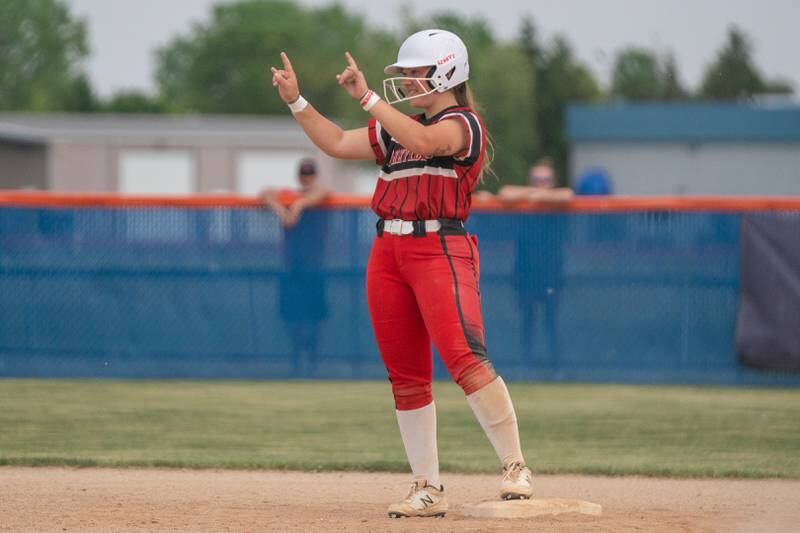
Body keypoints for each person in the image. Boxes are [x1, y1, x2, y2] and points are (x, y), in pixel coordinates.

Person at [270, 29, 532, 518]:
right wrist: (297, 100)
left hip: (440, 247)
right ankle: (427, 488)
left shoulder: (463, 124)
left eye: (417, 73)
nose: (409, 81)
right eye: (406, 74)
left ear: (448, 72)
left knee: (464, 358)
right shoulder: (394, 127)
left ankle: (515, 467)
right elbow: (335, 142)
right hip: (388, 250)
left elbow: (427, 139)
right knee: (406, 375)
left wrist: (368, 97)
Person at [260, 159, 331, 377]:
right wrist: (282, 210)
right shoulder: (288, 197)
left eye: (309, 175)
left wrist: (299, 205)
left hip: (315, 268)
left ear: (315, 176)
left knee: (315, 318)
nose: (306, 179)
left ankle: (312, 363)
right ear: (299, 176)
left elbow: (324, 193)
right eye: (304, 175)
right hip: (292, 267)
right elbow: (265, 193)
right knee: (292, 318)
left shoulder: (314, 199)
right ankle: (295, 363)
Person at [496, 158, 575, 205]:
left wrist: (543, 196)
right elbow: (504, 193)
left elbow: (569, 194)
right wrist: (531, 192)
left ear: (554, 182)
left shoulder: (558, 198)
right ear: (530, 180)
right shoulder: (525, 195)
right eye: (536, 179)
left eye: (546, 180)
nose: (541, 184)